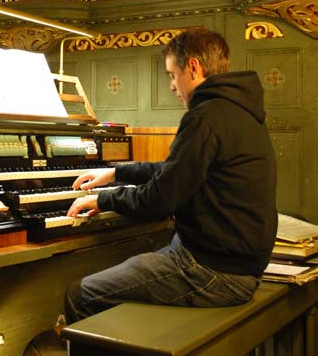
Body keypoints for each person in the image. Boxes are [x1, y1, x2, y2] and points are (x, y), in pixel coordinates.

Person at [64, 28, 277, 324]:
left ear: (193, 67)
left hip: (212, 271)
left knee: (82, 294)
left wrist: (103, 200)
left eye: (172, 75)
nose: (172, 86)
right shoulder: (238, 111)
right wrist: (116, 172)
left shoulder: (205, 116)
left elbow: (160, 198)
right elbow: (176, 172)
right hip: (240, 265)